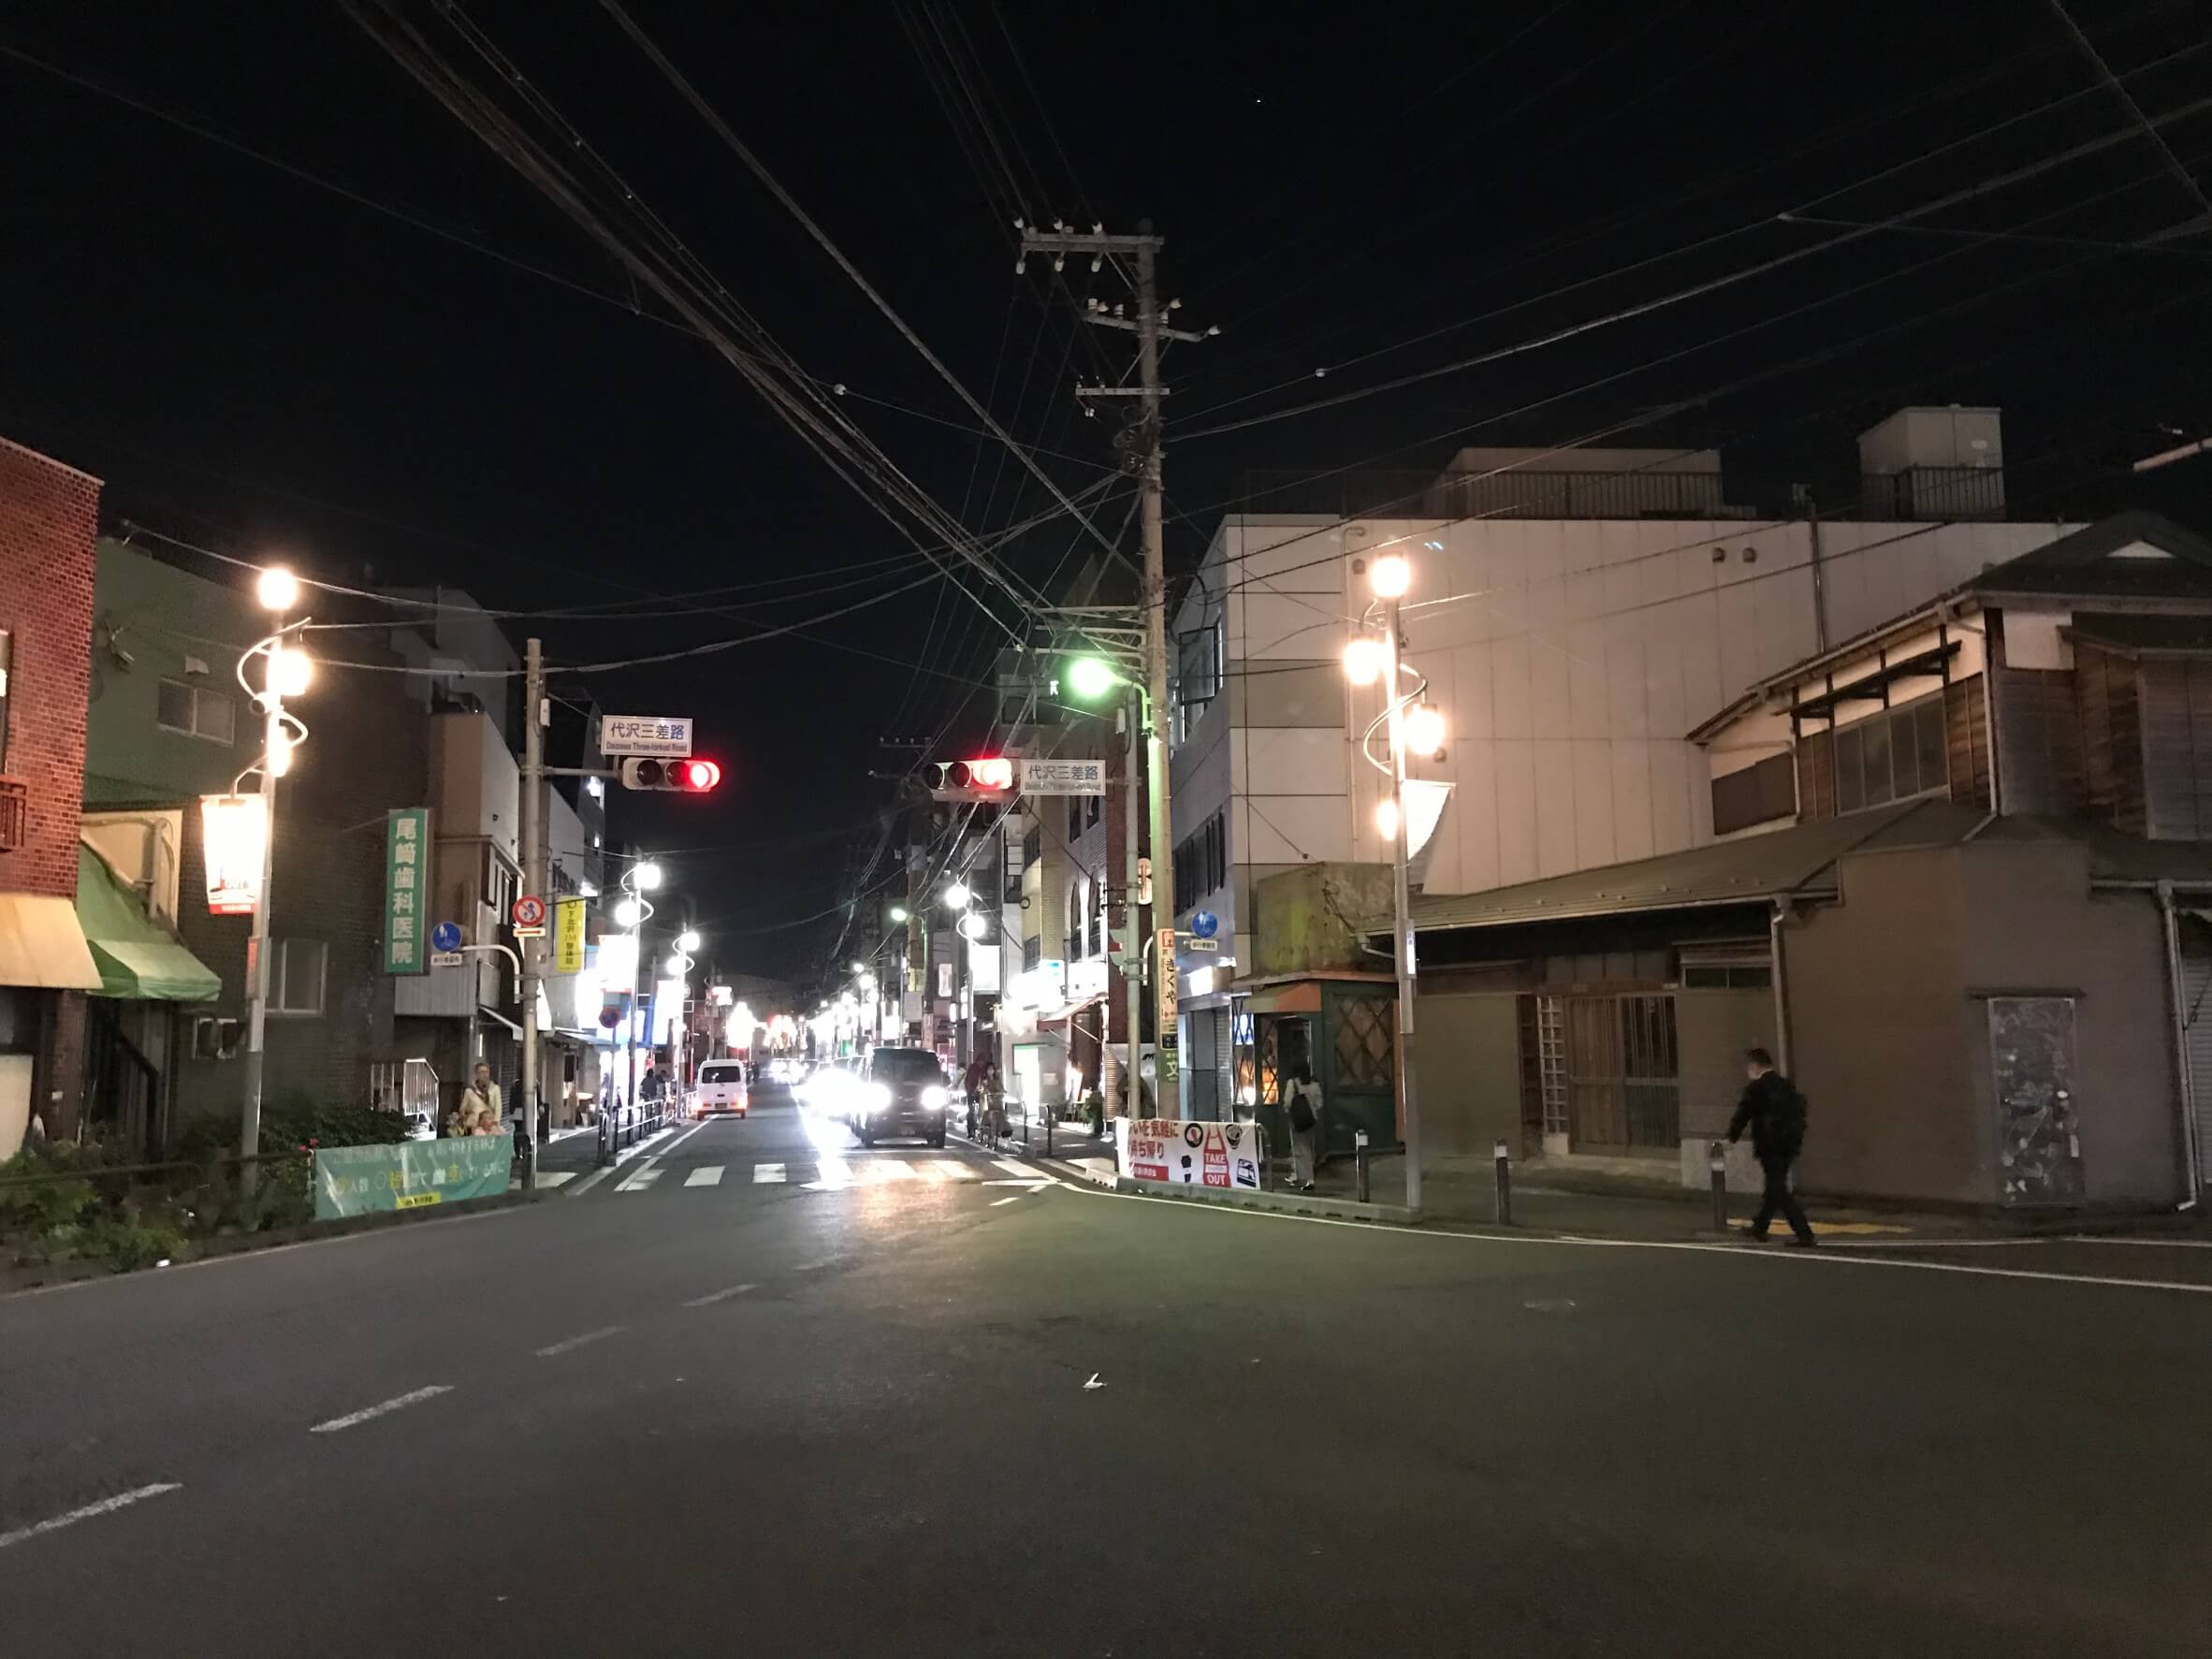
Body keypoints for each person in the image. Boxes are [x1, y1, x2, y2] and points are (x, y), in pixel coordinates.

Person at [1728, 1046, 1816, 1246]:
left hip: (1769, 1145)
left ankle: (1804, 1233)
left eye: (1749, 1067)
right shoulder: (1786, 1085)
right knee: (1774, 1185)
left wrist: (1732, 1137)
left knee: (1778, 1189)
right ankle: (1760, 1225)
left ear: (1754, 1066)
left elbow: (1743, 1114)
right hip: (1788, 1145)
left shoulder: (1757, 1088)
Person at [1285, 1062, 1321, 1192]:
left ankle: (1303, 1178)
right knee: (1309, 1148)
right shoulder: (1314, 1084)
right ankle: (1308, 1178)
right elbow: (1319, 1103)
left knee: (1299, 1150)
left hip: (1297, 1121)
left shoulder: (1293, 1083)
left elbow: (1287, 1102)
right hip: (1311, 1121)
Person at [458, 1062, 502, 1137]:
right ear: (476, 1074)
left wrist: (495, 1123)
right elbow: (462, 1109)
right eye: (481, 1072)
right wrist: (467, 1112)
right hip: (474, 1126)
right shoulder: (469, 1091)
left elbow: (498, 1108)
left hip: (490, 1126)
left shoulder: (495, 1089)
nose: (484, 1074)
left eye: (486, 1072)